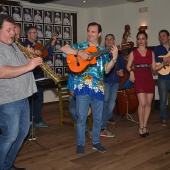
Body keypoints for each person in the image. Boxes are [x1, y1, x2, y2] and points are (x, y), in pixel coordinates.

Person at [61, 22, 118, 155]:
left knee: (98, 118)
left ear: (99, 34)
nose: (90, 34)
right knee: (81, 117)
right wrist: (78, 53)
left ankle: (96, 142)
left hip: (98, 88)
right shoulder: (79, 46)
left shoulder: (103, 51)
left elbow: (106, 70)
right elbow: (64, 49)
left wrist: (114, 58)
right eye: (88, 31)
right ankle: (80, 144)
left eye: (93, 32)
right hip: (82, 86)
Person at [0, 14, 42, 170]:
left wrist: (28, 58)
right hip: (8, 100)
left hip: (23, 97)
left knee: (22, 133)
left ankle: (7, 165)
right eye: (9, 30)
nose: (13, 33)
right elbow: (2, 71)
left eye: (13, 29)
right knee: (9, 136)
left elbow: (20, 67)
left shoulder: (14, 45)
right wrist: (29, 65)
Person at [126, 31, 165, 138]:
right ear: (137, 40)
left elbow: (154, 68)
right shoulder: (133, 53)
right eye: (139, 38)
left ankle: (145, 125)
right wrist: (132, 72)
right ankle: (141, 126)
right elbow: (128, 66)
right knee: (142, 103)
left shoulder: (151, 53)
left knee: (148, 104)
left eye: (143, 38)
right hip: (138, 79)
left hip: (149, 79)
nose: (141, 41)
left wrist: (163, 63)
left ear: (146, 40)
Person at [22, 26, 57, 129]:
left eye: (36, 32)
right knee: (30, 100)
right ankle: (28, 122)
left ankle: (38, 120)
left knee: (39, 99)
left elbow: (47, 54)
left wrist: (52, 42)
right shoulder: (23, 45)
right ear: (28, 34)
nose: (36, 34)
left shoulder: (39, 45)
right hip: (28, 75)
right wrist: (32, 52)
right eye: (34, 33)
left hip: (39, 74)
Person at [101, 34, 126, 137]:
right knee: (105, 100)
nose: (108, 41)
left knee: (111, 103)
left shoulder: (119, 54)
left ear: (114, 41)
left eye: (111, 39)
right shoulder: (103, 54)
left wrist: (121, 72)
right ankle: (103, 124)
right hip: (105, 81)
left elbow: (123, 68)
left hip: (115, 82)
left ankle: (104, 119)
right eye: (107, 39)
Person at [154, 30, 170, 127]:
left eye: (163, 35)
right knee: (163, 99)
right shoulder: (157, 49)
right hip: (163, 77)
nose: (162, 38)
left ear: (168, 37)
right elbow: (154, 59)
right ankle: (163, 118)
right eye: (160, 36)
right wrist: (164, 59)